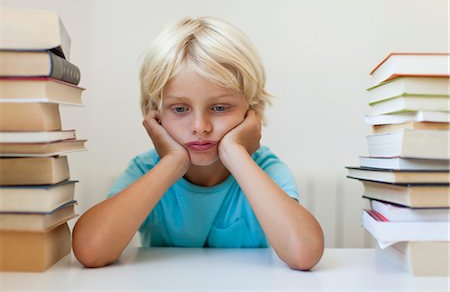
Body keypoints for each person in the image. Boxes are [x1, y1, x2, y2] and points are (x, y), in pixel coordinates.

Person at [72, 17, 324, 270]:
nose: (200, 126)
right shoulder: (146, 169)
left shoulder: (264, 168)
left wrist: (235, 153)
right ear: (155, 114)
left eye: (219, 107)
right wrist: (173, 163)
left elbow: (303, 254)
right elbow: (91, 251)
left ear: (251, 111)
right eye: (180, 108)